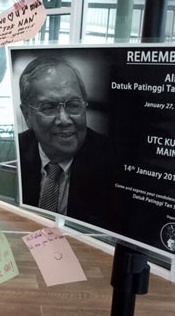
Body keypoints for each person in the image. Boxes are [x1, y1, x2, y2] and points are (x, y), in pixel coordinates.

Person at [18, 56, 110, 225]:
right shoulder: (15, 152)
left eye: (73, 105)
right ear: (26, 115)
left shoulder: (112, 163)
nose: (65, 119)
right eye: (48, 107)